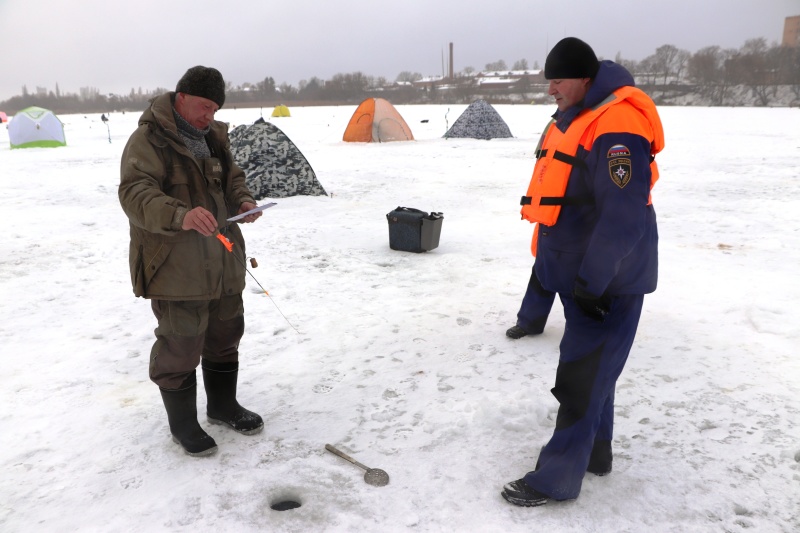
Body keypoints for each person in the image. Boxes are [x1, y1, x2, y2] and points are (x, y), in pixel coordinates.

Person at [501, 37, 665, 506]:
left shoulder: (617, 127)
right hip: (584, 276)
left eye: (557, 79)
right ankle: (596, 453)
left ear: (584, 79)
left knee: (581, 379)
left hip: (608, 282)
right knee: (596, 373)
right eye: (548, 79)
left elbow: (623, 216)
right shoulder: (582, 115)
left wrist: (594, 282)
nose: (550, 88)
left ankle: (555, 479)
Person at [119, 66, 265, 457]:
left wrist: (244, 201)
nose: (209, 116)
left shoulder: (213, 138)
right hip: (175, 266)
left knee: (225, 334)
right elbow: (134, 193)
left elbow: (232, 178)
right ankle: (184, 425)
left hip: (222, 258)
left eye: (215, 108)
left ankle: (223, 406)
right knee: (180, 345)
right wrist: (178, 213)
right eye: (204, 106)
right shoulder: (148, 140)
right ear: (181, 97)